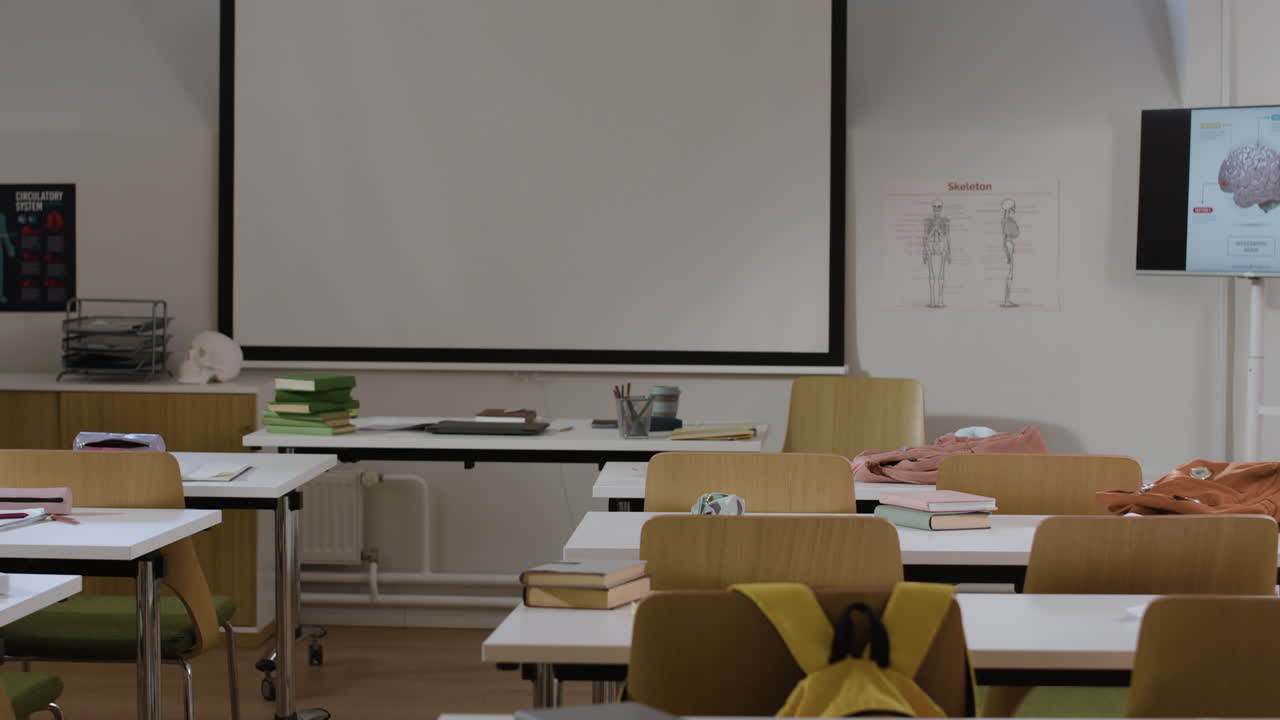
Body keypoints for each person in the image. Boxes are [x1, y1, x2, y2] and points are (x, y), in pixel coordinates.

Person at [922, 200, 950, 308]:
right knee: (931, 274)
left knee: (941, 273)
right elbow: (925, 237)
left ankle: (940, 301)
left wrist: (949, 252)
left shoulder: (945, 221)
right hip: (931, 245)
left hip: (942, 245)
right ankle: (932, 301)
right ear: (932, 208)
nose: (937, 209)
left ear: (941, 208)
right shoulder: (928, 221)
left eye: (939, 207)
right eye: (935, 207)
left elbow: (947, 236)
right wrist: (924, 252)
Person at [1000, 199, 1019, 308]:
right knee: (1010, 273)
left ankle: (1007, 299)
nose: (1014, 209)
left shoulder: (1005, 220)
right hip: (1009, 244)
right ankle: (1007, 300)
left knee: (1010, 273)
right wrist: (1007, 252)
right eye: (1013, 207)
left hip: (1008, 244)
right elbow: (1013, 234)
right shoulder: (1007, 221)